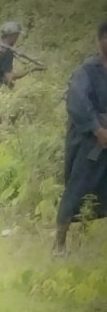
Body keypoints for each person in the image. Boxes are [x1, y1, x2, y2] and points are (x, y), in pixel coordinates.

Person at [54, 20, 107, 256]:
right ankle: (59, 244)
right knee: (78, 188)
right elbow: (78, 103)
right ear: (100, 40)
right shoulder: (86, 70)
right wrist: (98, 130)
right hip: (89, 142)